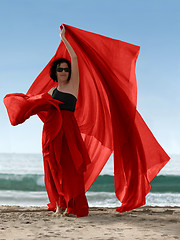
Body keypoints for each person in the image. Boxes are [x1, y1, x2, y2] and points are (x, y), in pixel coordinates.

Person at [46, 25, 90, 217]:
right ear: (55, 73)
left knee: (72, 169)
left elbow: (75, 59)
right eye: (60, 69)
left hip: (69, 131)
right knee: (54, 168)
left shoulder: (73, 86)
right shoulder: (50, 92)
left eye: (65, 69)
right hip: (52, 132)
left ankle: (74, 204)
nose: (63, 71)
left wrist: (64, 39)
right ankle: (59, 204)